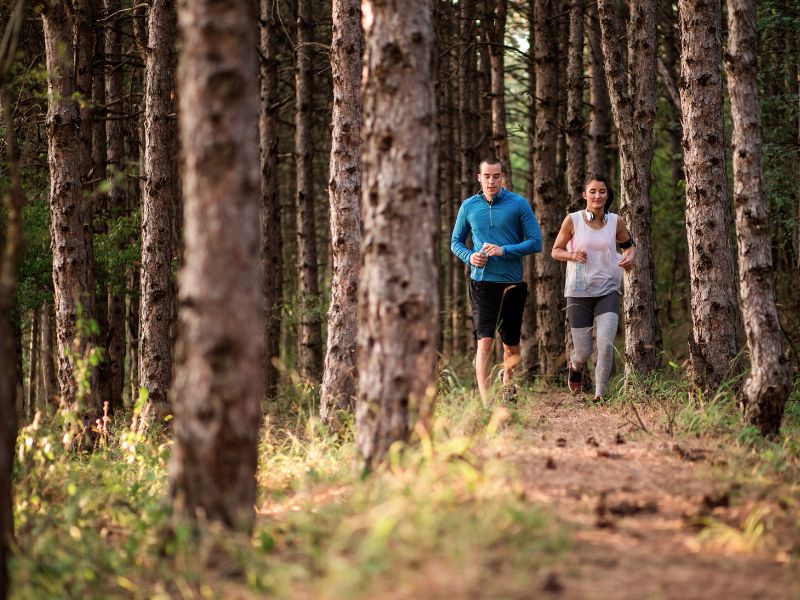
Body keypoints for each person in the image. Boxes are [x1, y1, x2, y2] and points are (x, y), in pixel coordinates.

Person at [451, 158, 542, 403]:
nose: (492, 181)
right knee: (485, 343)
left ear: (503, 177)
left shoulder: (518, 204)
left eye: (496, 176)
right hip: (482, 283)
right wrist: (470, 257)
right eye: (487, 176)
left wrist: (505, 250)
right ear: (479, 177)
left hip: (512, 284)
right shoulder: (469, 206)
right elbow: (455, 242)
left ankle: (508, 386)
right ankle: (486, 403)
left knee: (510, 346)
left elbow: (536, 242)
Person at [551, 174, 636, 401]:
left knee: (606, 344)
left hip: (607, 289)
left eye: (602, 192)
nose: (597, 196)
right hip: (579, 291)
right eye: (593, 191)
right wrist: (571, 254)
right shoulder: (573, 220)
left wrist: (630, 257)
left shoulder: (616, 222)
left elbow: (629, 246)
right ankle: (575, 365)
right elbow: (555, 250)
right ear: (584, 195)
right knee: (584, 351)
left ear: (607, 195)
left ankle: (600, 394)